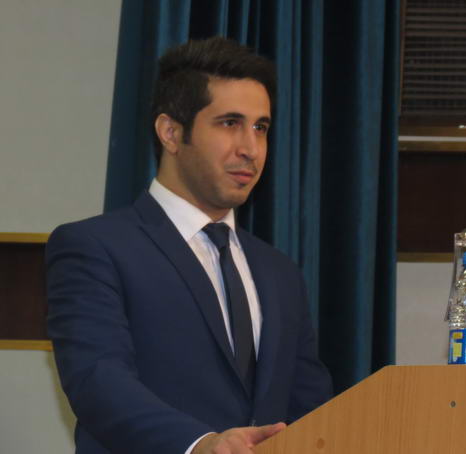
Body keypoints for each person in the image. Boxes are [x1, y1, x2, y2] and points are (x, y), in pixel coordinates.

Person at [46, 36, 333, 454]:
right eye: (230, 123)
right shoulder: (94, 247)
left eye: (261, 127)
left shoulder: (279, 271)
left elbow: (311, 406)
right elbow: (98, 380)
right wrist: (200, 444)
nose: (251, 149)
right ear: (171, 132)